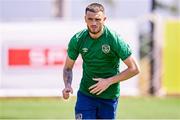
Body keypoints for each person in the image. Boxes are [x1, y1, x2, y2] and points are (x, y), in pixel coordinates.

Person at [62, 2, 140, 119]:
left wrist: (108, 81)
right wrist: (67, 85)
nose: (94, 23)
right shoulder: (78, 39)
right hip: (86, 95)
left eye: (97, 19)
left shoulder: (114, 39)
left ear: (104, 19)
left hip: (109, 97)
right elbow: (68, 68)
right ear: (85, 19)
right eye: (90, 19)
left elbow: (134, 69)